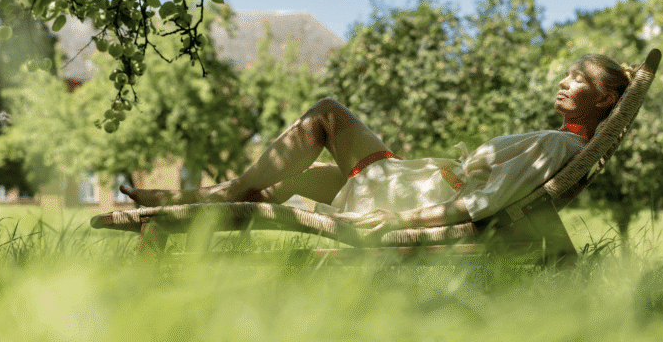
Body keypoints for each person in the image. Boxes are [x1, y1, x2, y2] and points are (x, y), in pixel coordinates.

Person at [122, 54, 635, 236]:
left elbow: (484, 201)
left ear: (607, 96)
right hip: (411, 183)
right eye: (566, 74)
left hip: (407, 197)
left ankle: (203, 201)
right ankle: (194, 211)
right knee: (287, 182)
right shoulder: (563, 145)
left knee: (326, 113)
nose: (565, 82)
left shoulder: (557, 147)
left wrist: (401, 221)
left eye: (579, 77)